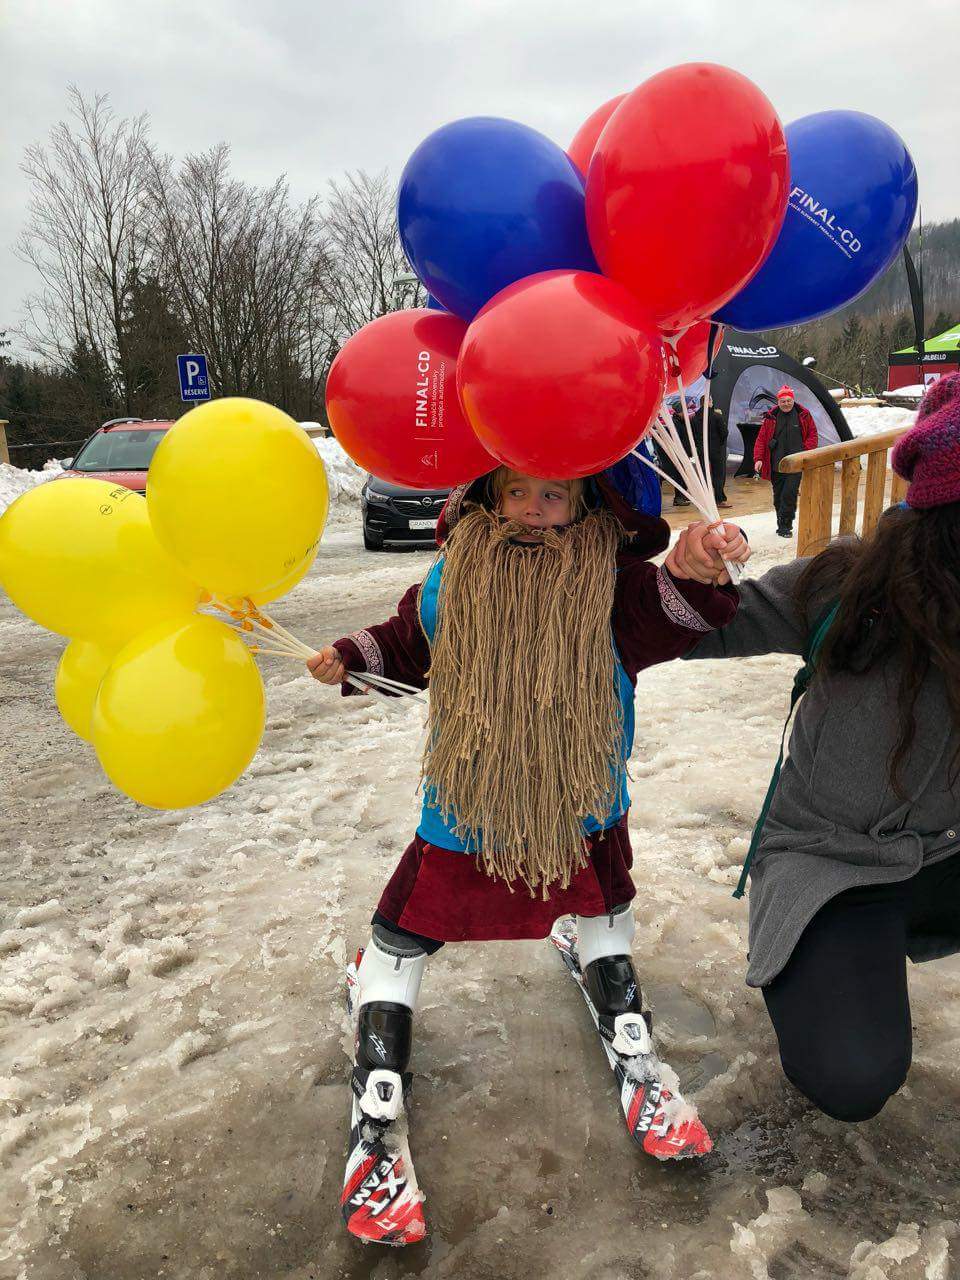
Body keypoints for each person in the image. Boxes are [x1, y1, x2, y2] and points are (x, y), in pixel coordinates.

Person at [310, 465, 749, 1243]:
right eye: (517, 492)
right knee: (413, 922)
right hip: (470, 806)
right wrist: (351, 655)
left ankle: (625, 1020)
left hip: (580, 805)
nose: (534, 511)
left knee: (604, 903)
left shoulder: (611, 585)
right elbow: (409, 641)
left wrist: (693, 566)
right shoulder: (455, 577)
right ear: (488, 499)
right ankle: (380, 1029)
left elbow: (665, 610)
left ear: (584, 508)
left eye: (554, 496)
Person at [675, 374, 960, 1126]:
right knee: (852, 1076)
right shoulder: (852, 587)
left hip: (951, 852)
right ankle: (824, 958)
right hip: (835, 860)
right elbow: (708, 627)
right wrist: (687, 578)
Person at [753, 385, 817, 538]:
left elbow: (813, 435)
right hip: (776, 464)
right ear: (778, 402)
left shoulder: (803, 415)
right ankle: (781, 523)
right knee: (778, 496)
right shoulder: (771, 417)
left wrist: (804, 450)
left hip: (796, 464)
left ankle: (786, 527)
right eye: (783, 401)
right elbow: (761, 439)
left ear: (793, 400)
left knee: (789, 494)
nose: (786, 404)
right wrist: (758, 458)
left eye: (789, 401)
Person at [701, 393, 730, 508]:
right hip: (715, 449)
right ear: (709, 402)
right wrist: (720, 443)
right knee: (718, 475)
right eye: (711, 401)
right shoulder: (716, 416)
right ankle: (719, 499)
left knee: (703, 474)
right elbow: (724, 433)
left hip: (702, 449)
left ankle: (704, 499)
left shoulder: (695, 417)